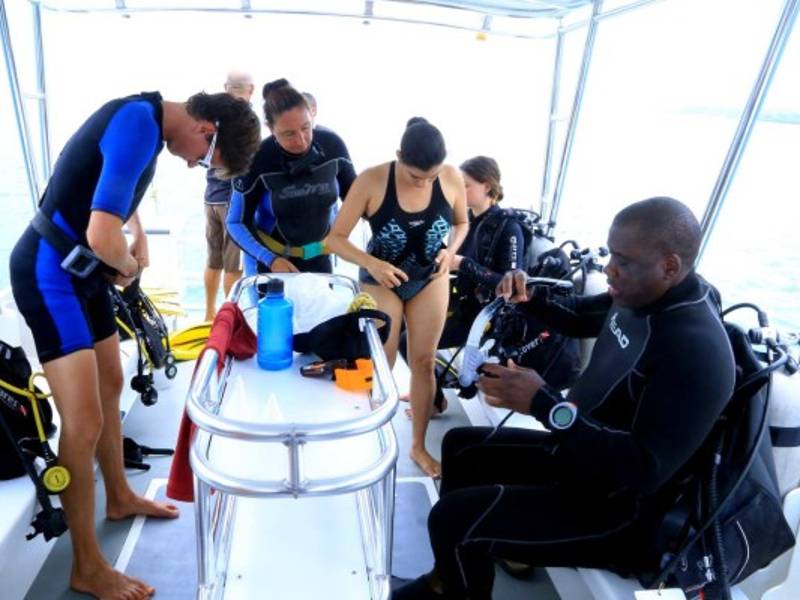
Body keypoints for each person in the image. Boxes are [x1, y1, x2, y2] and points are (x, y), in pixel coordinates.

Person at [393, 197, 736, 599]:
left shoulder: (695, 350)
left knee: (452, 519)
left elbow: (644, 470)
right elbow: (577, 316)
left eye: (622, 261)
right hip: (584, 460)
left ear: (670, 266)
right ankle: (454, 579)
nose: (609, 269)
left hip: (620, 514)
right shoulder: (645, 295)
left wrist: (543, 404)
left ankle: (456, 578)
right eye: (610, 255)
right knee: (460, 447)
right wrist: (527, 294)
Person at [9, 91, 260, 599]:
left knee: (112, 383)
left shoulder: (148, 126)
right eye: (205, 159)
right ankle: (86, 565)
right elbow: (103, 236)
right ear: (207, 129)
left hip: (81, 274)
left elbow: (111, 195)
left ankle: (119, 496)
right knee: (83, 423)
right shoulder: (138, 124)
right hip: (48, 273)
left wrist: (137, 232)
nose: (194, 165)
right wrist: (128, 265)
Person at [327, 118, 469, 478]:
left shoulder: (451, 177)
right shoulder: (372, 180)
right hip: (380, 278)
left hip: (430, 277)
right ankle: (371, 436)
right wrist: (372, 264)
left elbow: (462, 223)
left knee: (423, 361)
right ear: (398, 157)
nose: (424, 182)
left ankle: (418, 446)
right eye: (415, 176)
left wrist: (449, 252)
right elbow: (335, 238)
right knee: (381, 364)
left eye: (430, 177)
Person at [398, 156, 526, 412]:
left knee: (407, 340)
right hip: (463, 304)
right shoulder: (465, 222)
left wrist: (464, 264)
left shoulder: (510, 229)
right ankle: (428, 388)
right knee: (401, 320)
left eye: (465, 185)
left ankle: (433, 401)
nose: (458, 191)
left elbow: (509, 288)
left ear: (487, 187)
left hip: (486, 322)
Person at [227, 78, 356, 275]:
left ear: (312, 116)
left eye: (306, 128)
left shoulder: (332, 145)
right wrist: (270, 259)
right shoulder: (257, 159)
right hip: (273, 263)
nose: (301, 141)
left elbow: (356, 200)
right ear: (271, 129)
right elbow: (236, 222)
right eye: (289, 134)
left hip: (321, 256)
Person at [203, 70, 256, 320]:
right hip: (231, 200)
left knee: (214, 261)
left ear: (226, 87)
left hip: (210, 197)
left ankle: (209, 314)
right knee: (233, 266)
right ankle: (228, 319)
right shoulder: (245, 118)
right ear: (251, 90)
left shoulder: (214, 116)